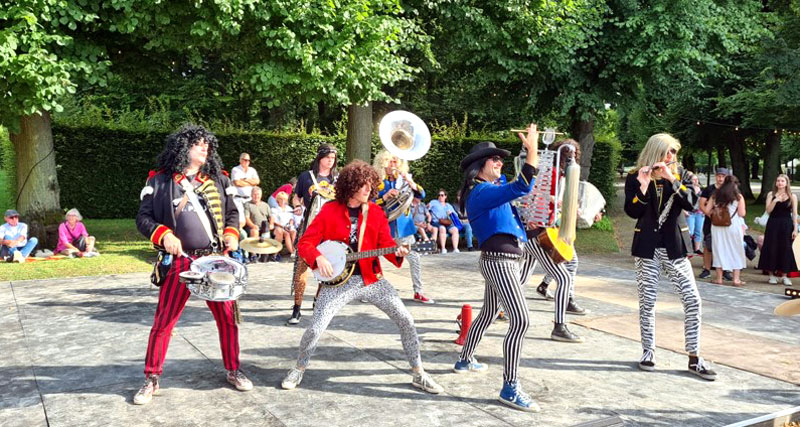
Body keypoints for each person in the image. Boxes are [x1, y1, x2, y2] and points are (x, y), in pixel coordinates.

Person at [280, 160, 443, 395]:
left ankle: (418, 373)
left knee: (406, 319)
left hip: (372, 279)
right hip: (336, 283)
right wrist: (318, 259)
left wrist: (398, 251)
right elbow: (306, 242)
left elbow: (386, 244)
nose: (369, 189)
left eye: (371, 185)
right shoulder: (330, 210)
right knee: (316, 328)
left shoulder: (375, 212)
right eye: (364, 185)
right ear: (351, 185)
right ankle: (299, 368)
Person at [133, 124, 252, 405]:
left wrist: (232, 235)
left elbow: (234, 213)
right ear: (183, 147)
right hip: (181, 262)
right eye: (198, 143)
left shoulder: (219, 180)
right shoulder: (160, 181)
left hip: (215, 262)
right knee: (164, 322)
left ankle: (233, 369)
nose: (204, 147)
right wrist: (163, 235)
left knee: (227, 320)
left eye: (206, 143)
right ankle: (151, 378)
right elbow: (143, 218)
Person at [453, 125, 540, 412]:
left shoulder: (489, 191)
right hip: (500, 261)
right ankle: (510, 387)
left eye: (501, 160)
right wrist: (531, 150)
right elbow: (522, 185)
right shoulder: (481, 192)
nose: (500, 162)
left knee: (489, 312)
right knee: (522, 320)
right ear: (480, 167)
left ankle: (465, 359)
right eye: (495, 160)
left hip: (502, 260)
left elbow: (515, 202)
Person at [624, 133, 716, 381]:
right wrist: (643, 186)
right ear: (655, 151)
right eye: (667, 152)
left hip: (675, 248)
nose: (671, 157)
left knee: (692, 299)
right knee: (647, 300)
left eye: (674, 152)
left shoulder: (682, 176)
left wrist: (672, 179)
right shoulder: (636, 175)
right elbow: (632, 210)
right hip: (646, 247)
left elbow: (691, 203)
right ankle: (648, 350)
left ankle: (695, 356)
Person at [519, 139, 587, 342]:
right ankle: (559, 326)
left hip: (538, 231)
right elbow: (536, 197)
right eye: (569, 155)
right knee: (564, 277)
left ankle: (500, 309)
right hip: (539, 232)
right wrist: (558, 203)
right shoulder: (553, 174)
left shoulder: (554, 173)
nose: (571, 159)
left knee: (522, 277)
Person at [373, 150, 434, 303]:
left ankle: (418, 291)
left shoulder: (404, 180)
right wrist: (385, 197)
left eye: (396, 162)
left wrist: (410, 181)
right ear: (383, 163)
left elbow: (422, 195)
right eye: (390, 161)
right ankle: (371, 290)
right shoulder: (377, 181)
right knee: (372, 258)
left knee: (414, 258)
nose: (393, 165)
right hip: (383, 227)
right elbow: (369, 203)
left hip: (404, 227)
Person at [288, 144, 338, 325]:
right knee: (302, 267)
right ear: (320, 158)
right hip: (309, 228)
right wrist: (297, 206)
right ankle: (296, 309)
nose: (330, 161)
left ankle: (318, 301)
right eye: (328, 158)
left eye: (333, 158)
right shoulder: (306, 177)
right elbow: (296, 197)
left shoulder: (338, 178)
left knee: (325, 268)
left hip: (329, 230)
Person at [704, 175, 747, 286]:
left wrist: (716, 216)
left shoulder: (715, 195)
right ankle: (736, 279)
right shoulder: (738, 197)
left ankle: (719, 278)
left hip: (717, 227)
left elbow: (707, 210)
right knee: (736, 250)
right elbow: (742, 214)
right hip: (733, 225)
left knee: (719, 250)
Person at [757, 174, 798, 285]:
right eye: (778, 181)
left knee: (786, 248)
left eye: (782, 181)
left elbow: (794, 214)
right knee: (772, 247)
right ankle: (771, 274)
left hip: (786, 224)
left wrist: (795, 229)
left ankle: (784, 275)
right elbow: (768, 211)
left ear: (786, 183)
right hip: (773, 223)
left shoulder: (792, 196)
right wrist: (775, 200)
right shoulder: (771, 194)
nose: (780, 183)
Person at [698, 168, 732, 280]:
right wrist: (709, 214)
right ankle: (706, 269)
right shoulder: (709, 189)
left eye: (723, 176)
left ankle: (725, 269)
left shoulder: (730, 189)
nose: (720, 178)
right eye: (718, 176)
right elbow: (702, 204)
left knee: (725, 245)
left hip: (726, 221)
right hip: (711, 220)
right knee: (708, 245)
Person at [244, 187, 274, 262]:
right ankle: (254, 255)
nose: (256, 196)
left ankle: (268, 255)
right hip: (252, 227)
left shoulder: (265, 205)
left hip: (264, 227)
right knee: (254, 231)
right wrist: (253, 225)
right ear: (251, 195)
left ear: (261, 195)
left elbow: (271, 217)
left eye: (258, 194)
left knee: (268, 232)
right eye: (254, 194)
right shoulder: (247, 205)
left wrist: (271, 224)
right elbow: (247, 218)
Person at [231, 153, 260, 228]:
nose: (247, 161)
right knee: (241, 221)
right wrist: (251, 183)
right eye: (245, 160)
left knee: (253, 220)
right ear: (240, 160)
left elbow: (257, 182)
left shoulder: (252, 170)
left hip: (250, 199)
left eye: (248, 160)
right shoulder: (235, 169)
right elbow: (237, 183)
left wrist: (245, 180)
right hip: (239, 199)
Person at [272, 191, 297, 259]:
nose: (283, 201)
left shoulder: (289, 208)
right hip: (279, 227)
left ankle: (295, 251)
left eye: (284, 199)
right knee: (287, 234)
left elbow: (292, 218)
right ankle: (292, 252)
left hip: (288, 226)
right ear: (277, 200)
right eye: (281, 199)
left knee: (293, 231)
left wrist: (290, 225)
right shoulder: (274, 209)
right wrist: (283, 226)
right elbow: (274, 221)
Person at [685, 174, 705, 254]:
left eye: (697, 179)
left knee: (698, 231)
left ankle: (697, 248)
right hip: (690, 212)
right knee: (690, 231)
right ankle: (688, 248)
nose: (696, 181)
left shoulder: (701, 189)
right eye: (694, 179)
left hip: (699, 213)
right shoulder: (687, 189)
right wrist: (684, 211)